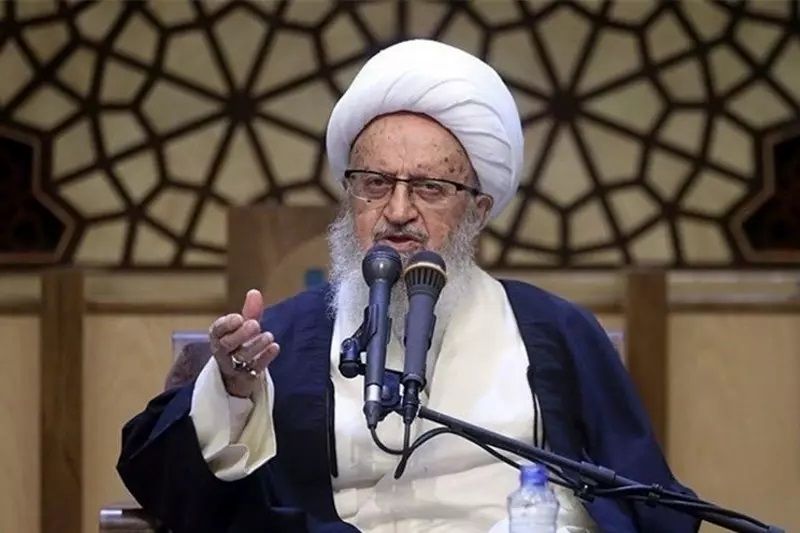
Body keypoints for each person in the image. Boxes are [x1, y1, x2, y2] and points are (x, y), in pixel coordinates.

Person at [118, 39, 698, 533]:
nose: (397, 211)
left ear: (477, 210)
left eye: (429, 188)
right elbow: (175, 489)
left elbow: (648, 504)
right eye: (375, 183)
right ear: (349, 195)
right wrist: (234, 393)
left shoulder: (554, 331)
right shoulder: (282, 339)